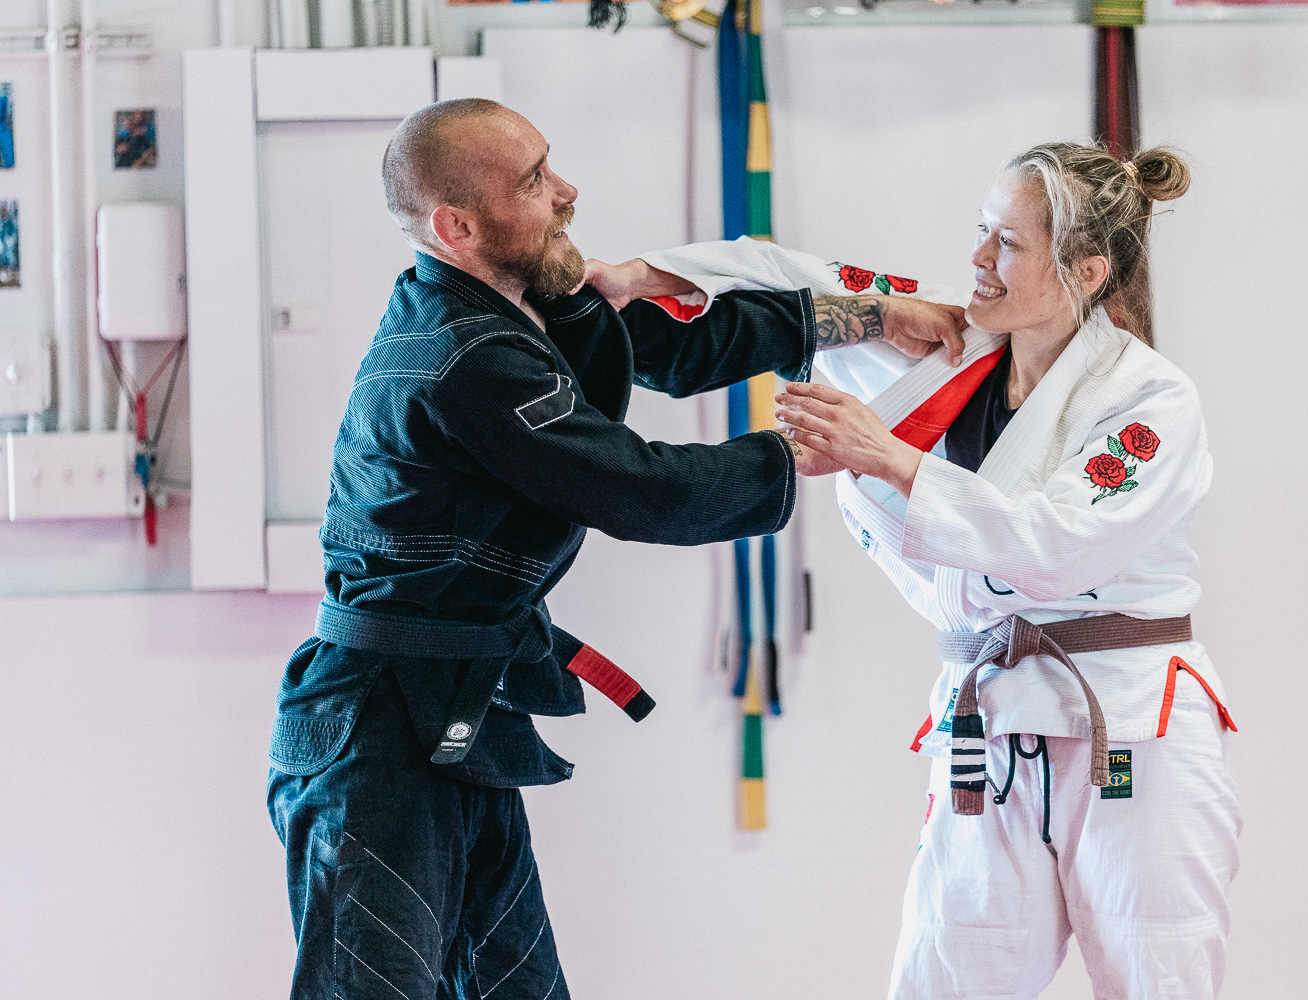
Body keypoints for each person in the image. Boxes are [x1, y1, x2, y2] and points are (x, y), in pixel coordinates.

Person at [264, 97, 965, 1000]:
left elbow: (680, 345)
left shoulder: (511, 300)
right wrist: (801, 452)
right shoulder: (461, 354)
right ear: (459, 226)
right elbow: (636, 488)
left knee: (514, 986)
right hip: (376, 737)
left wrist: (865, 318)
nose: (567, 192)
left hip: (450, 715)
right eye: (534, 183)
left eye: (550, 165)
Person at [614, 142, 1241, 999]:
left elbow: (1057, 547)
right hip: (988, 721)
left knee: (1156, 976)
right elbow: (793, 271)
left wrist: (891, 461)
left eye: (1009, 244)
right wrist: (639, 275)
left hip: (1130, 723)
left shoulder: (1149, 400)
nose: (979, 259)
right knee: (947, 974)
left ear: (1088, 272)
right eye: (982, 231)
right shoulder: (942, 346)